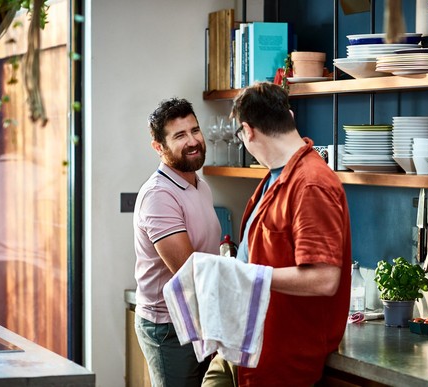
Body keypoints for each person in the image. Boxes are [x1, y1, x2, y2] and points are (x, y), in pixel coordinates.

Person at [203, 82, 352, 386]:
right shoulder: (277, 176)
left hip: (278, 358)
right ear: (290, 116)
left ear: (249, 131)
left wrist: (246, 275)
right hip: (241, 347)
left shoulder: (312, 184)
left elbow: (324, 279)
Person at [133, 97, 221, 387]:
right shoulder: (159, 195)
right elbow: (188, 270)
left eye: (194, 130)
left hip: (196, 317)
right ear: (159, 147)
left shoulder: (200, 186)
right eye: (180, 135)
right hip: (167, 326)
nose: (193, 140)